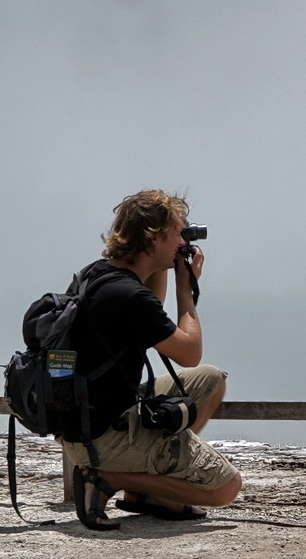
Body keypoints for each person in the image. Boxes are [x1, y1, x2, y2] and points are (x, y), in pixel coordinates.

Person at [59, 189, 241, 530]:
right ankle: (106, 477)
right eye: (177, 232)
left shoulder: (100, 275)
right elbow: (189, 352)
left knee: (211, 380)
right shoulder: (128, 295)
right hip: (103, 437)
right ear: (154, 236)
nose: (182, 241)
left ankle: (147, 494)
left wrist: (166, 265)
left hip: (85, 420)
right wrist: (186, 289)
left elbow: (151, 310)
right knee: (225, 488)